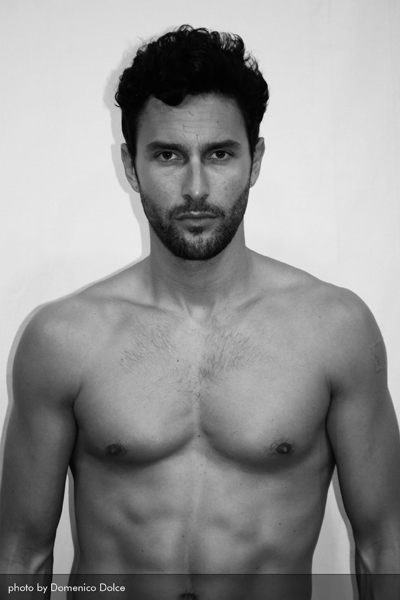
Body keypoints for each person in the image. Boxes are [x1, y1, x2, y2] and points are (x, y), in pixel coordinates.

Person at [0, 24, 399, 600]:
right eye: (167, 155)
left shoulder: (335, 330)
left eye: (219, 154)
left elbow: (384, 545)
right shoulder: (63, 338)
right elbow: (21, 555)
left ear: (254, 160)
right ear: (131, 166)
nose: (195, 187)